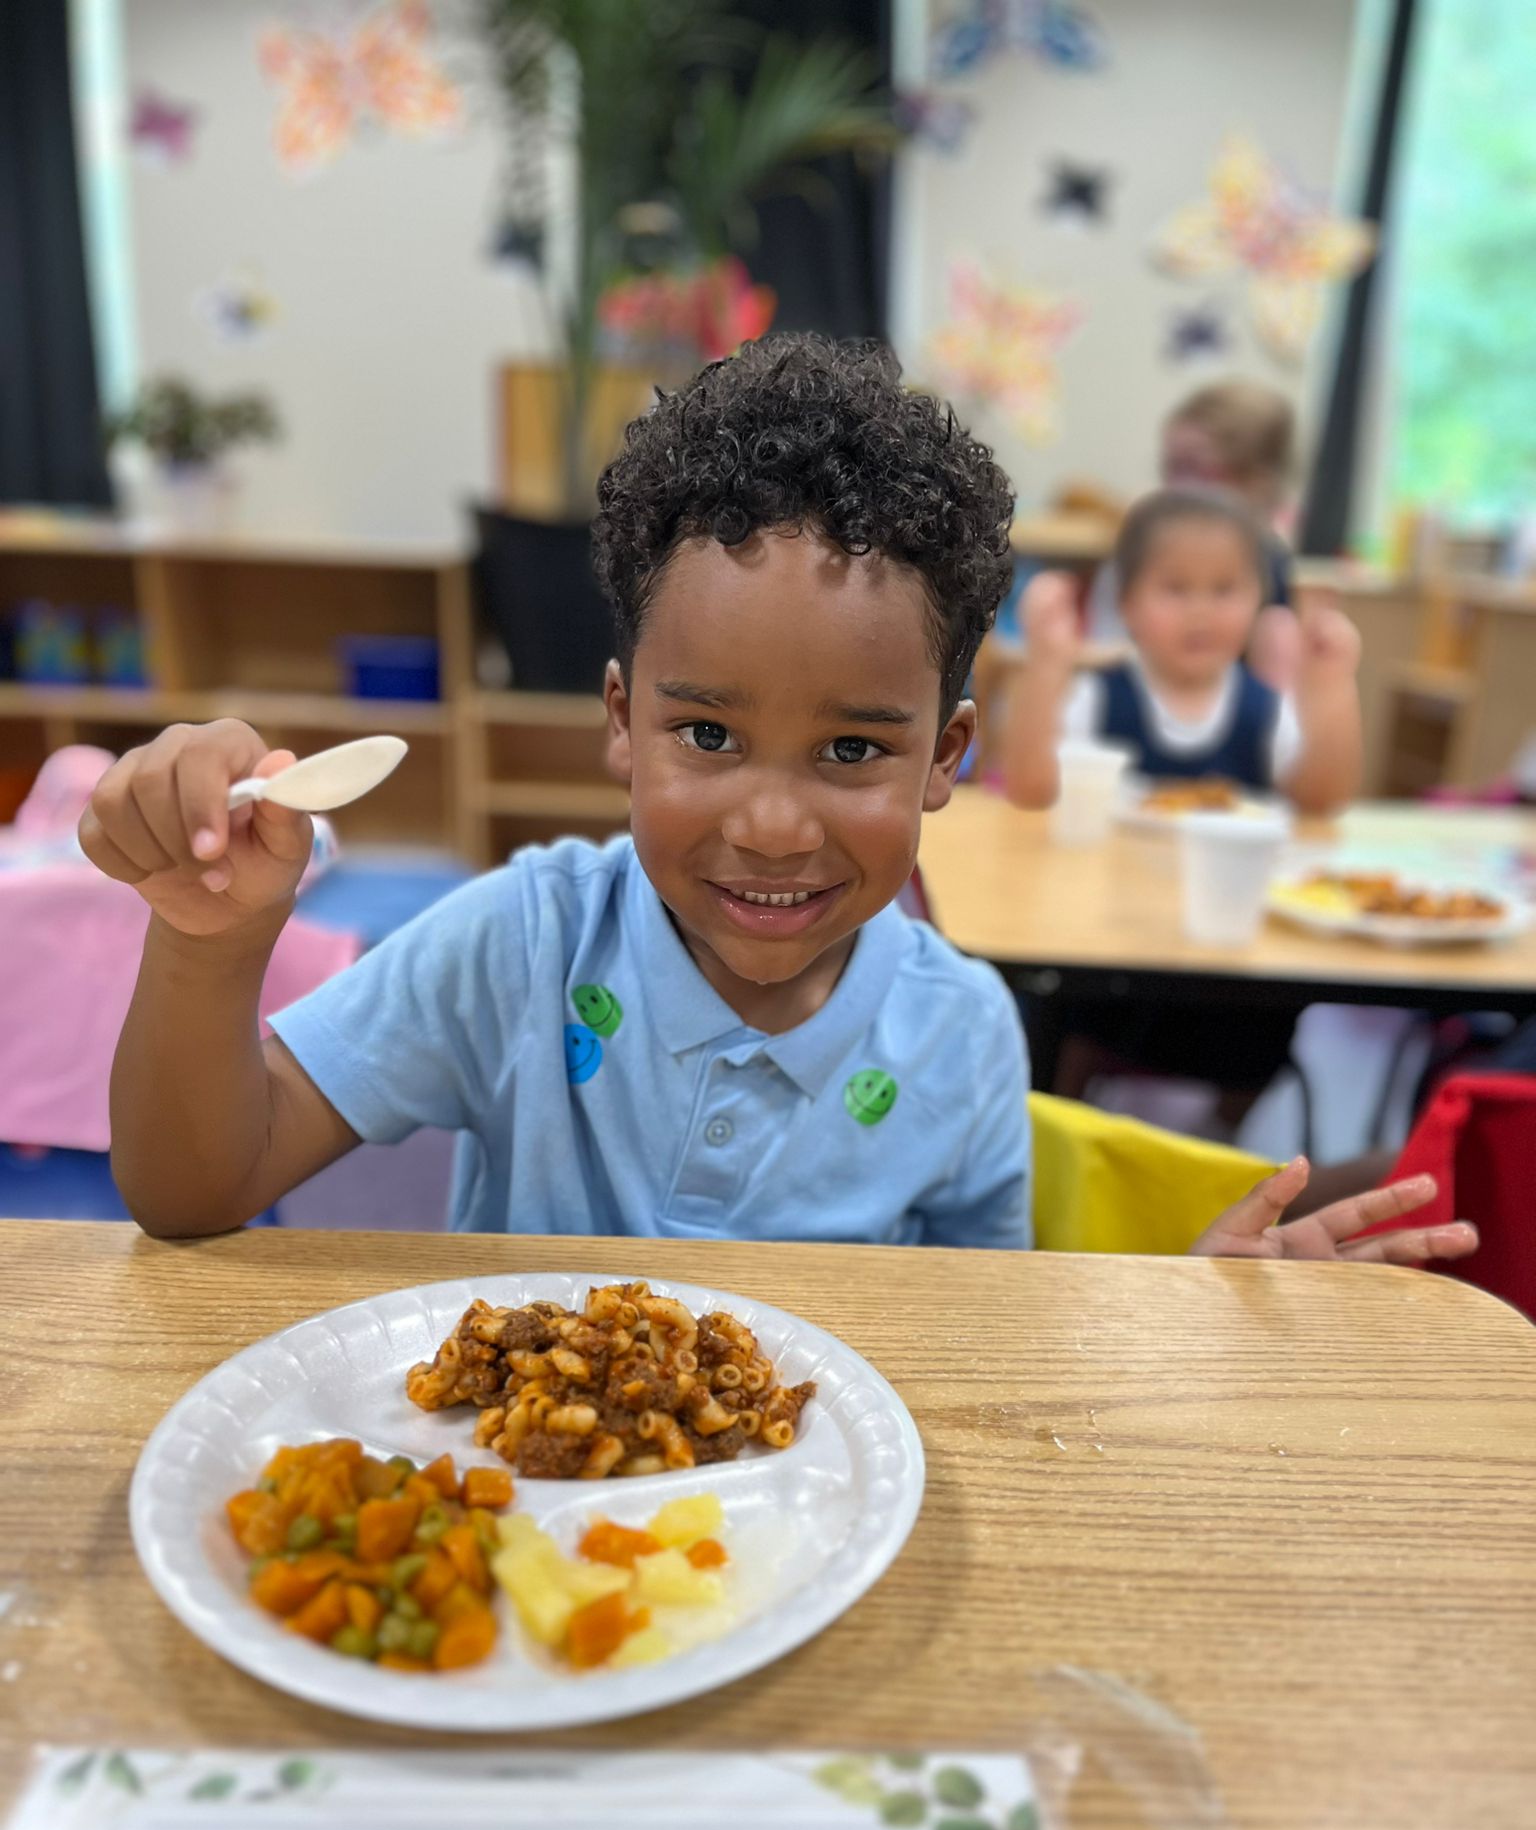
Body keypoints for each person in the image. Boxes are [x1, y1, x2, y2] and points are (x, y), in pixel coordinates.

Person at [77, 334, 1469, 1269]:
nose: (775, 823)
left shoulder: (963, 1037)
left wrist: (1182, 1307)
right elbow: (193, 1193)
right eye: (707, 732)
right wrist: (207, 944)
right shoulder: (521, 946)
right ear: (622, 721)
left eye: (855, 753)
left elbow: (988, 1362)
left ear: (947, 756)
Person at [1003, 488, 1362, 815]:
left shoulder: (1266, 711)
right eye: (1176, 589)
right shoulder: (1098, 696)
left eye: (1224, 590)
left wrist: (1334, 687)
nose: (1200, 612)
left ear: (1258, 600)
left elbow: (1320, 802)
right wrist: (1046, 665)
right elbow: (1032, 791)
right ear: (1127, 603)